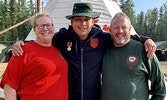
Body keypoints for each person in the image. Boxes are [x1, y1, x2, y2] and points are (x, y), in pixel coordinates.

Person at [12, 2, 157, 100]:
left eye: (86, 19)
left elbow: (121, 35)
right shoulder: (62, 38)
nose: (82, 23)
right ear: (72, 21)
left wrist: (144, 39)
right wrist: (23, 43)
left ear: (93, 21)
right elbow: (43, 40)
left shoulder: (102, 38)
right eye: (78, 19)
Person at [0, 13, 68, 100]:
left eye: (48, 25)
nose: (45, 29)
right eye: (40, 26)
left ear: (53, 28)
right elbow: (9, 84)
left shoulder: (59, 50)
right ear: (34, 30)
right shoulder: (22, 51)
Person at [101, 12, 166, 100]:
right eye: (116, 28)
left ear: (130, 29)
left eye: (124, 27)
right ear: (110, 30)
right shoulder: (103, 50)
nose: (120, 31)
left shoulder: (144, 49)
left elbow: (160, 89)